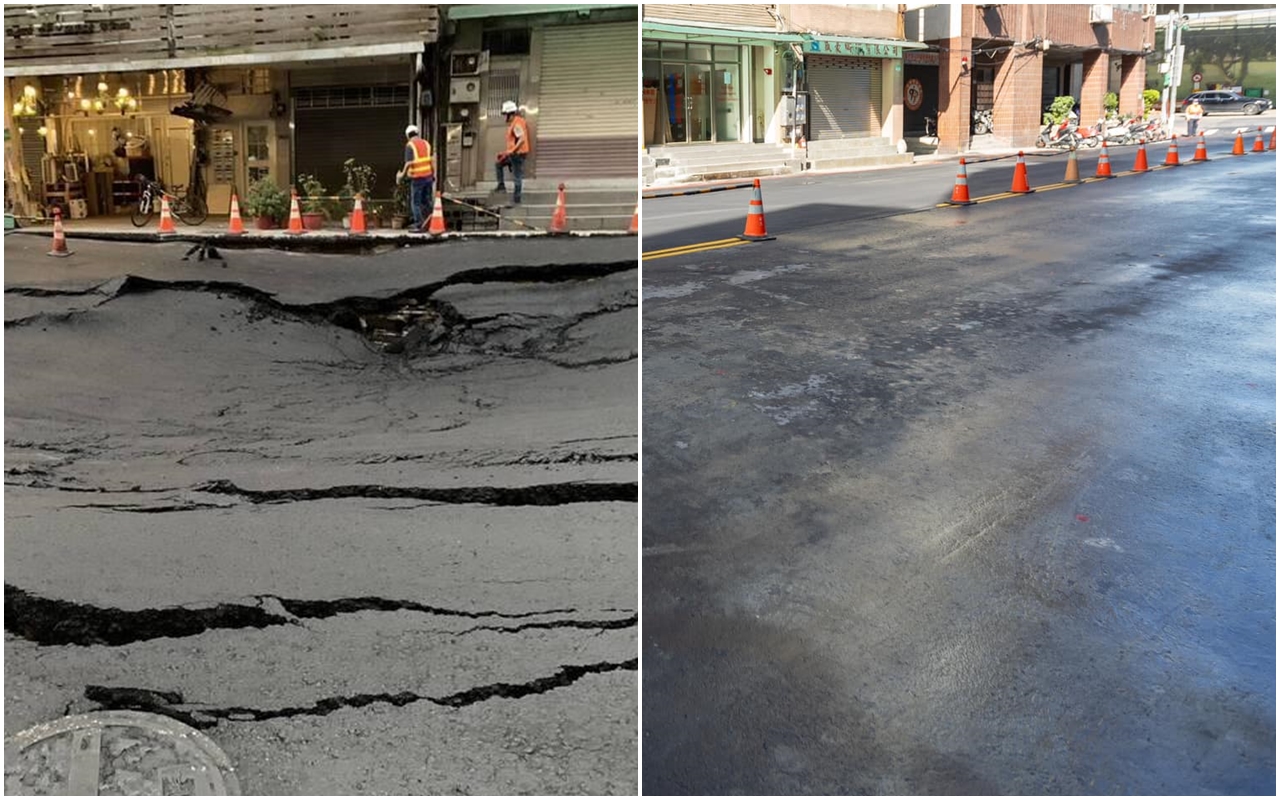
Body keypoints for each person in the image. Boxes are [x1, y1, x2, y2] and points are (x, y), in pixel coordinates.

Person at [398, 124, 433, 230]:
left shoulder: (410, 145)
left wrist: (401, 175)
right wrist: (433, 174)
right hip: (428, 176)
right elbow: (432, 160)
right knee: (426, 201)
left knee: (416, 202)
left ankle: (419, 224)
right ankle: (430, 221)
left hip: (417, 178)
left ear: (408, 135)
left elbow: (408, 163)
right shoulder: (426, 143)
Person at [495, 100, 530, 205]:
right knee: (498, 164)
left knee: (517, 176)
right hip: (514, 153)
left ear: (510, 114)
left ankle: (516, 199)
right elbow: (514, 141)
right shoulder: (518, 121)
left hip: (517, 154)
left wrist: (511, 152)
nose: (505, 117)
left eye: (505, 114)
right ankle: (501, 186)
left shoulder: (516, 124)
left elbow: (521, 139)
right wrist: (506, 153)